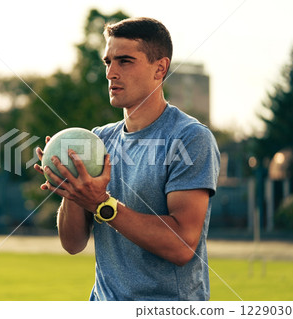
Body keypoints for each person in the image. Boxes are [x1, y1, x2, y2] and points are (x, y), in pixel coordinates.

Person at [34, 17, 220, 301]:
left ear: (160, 68)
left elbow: (182, 246)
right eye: (108, 62)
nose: (110, 73)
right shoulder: (96, 141)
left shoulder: (189, 138)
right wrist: (71, 189)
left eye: (124, 61)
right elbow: (72, 244)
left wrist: (100, 203)